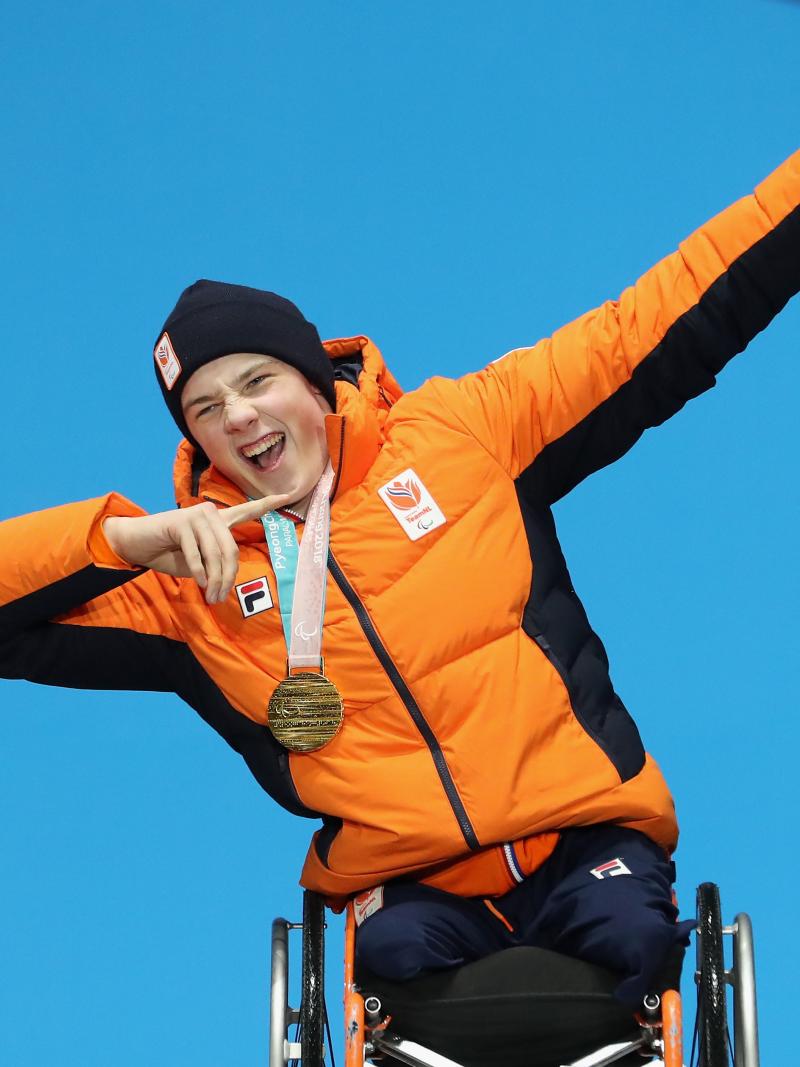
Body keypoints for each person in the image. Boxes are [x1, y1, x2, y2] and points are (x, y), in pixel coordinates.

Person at [1, 150, 798, 1009]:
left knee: (631, 947)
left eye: (255, 380)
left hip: (583, 833)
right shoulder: (189, 581)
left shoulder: (465, 435)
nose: (236, 415)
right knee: (398, 971)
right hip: (411, 887)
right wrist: (117, 537)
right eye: (204, 408)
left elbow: (653, 322)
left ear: (313, 381)